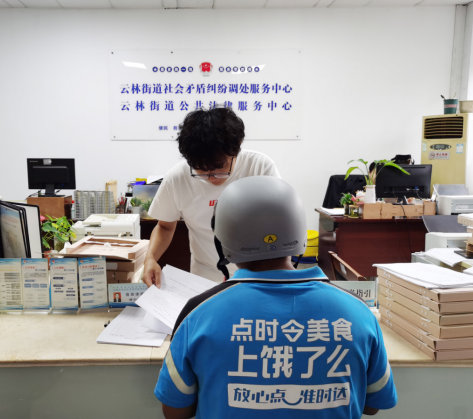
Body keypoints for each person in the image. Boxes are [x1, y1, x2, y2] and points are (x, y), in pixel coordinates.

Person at [154, 176, 397, 419]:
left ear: (222, 239)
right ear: (300, 233)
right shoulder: (358, 312)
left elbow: (176, 411)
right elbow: (372, 405)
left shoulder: (198, 313)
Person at [145, 107, 280, 286]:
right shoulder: (177, 177)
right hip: (205, 275)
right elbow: (165, 226)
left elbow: (278, 225)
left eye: (219, 168)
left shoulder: (260, 168)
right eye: (201, 170)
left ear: (237, 146)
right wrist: (150, 258)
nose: (211, 178)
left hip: (258, 274)